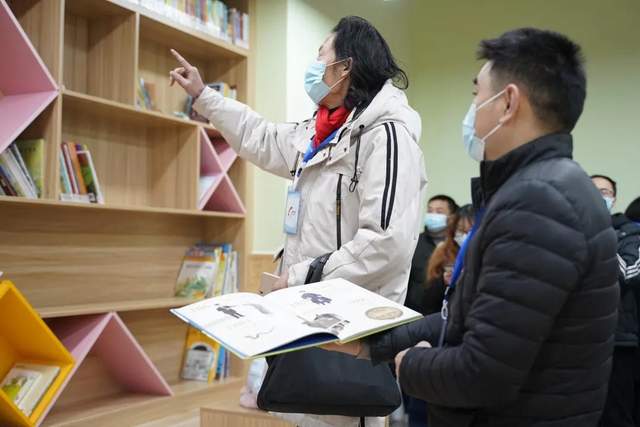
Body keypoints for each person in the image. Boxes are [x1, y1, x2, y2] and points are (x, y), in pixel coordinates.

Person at [328, 28, 619, 426]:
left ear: (508, 103)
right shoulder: (544, 188)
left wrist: (409, 364)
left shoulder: (539, 202)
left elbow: (484, 373)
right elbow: (465, 316)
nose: (473, 109)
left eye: (477, 93)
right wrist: (370, 342)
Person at [170, 15, 426, 427]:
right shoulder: (321, 131)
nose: (313, 64)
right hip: (303, 315)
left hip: (350, 329)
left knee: (340, 417)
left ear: (345, 67)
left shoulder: (387, 136)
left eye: (320, 54)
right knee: (300, 414)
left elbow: (386, 243)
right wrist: (204, 96)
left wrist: (303, 275)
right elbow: (260, 136)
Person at [405, 204, 475, 427]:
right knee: (420, 410)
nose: (463, 236)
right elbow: (428, 301)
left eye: (469, 230)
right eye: (460, 231)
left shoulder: (486, 257)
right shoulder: (442, 252)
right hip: (435, 338)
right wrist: (443, 283)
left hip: (464, 348)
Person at [592, 175, 640, 427]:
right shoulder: (568, 232)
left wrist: (601, 235)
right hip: (577, 341)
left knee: (616, 415)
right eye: (592, 191)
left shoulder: (631, 233)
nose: (599, 197)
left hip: (618, 342)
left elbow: (629, 274)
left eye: (605, 192)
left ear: (614, 198)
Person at [405, 195, 458, 315]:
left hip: (444, 313)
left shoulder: (457, 245)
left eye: (439, 212)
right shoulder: (414, 242)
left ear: (451, 216)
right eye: (430, 211)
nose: (433, 215)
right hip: (412, 312)